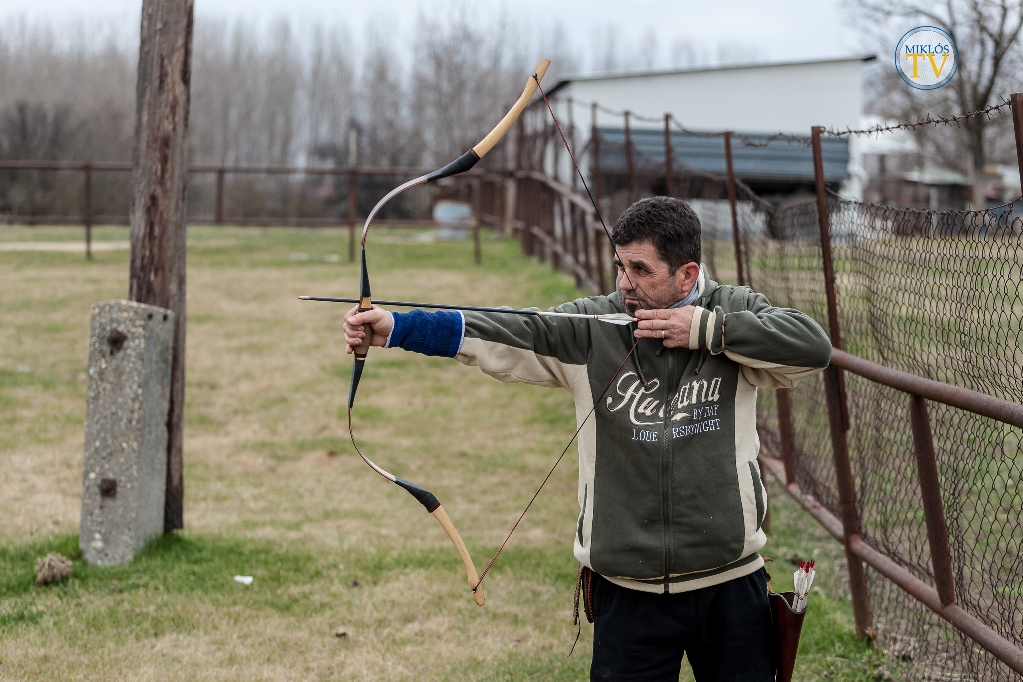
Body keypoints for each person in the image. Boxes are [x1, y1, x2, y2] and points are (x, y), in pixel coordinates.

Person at [343, 196, 831, 681]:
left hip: (731, 583)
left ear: (686, 275)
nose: (624, 283)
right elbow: (509, 330)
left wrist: (706, 328)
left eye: (641, 270)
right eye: (620, 266)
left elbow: (812, 347)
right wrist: (398, 328)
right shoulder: (594, 326)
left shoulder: (733, 313)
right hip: (628, 592)